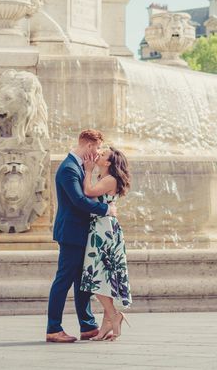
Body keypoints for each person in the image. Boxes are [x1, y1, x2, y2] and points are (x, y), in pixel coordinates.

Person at [46, 129, 117, 344]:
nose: (98, 153)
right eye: (96, 148)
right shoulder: (68, 168)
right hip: (71, 233)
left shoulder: (76, 166)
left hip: (79, 231)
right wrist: (106, 210)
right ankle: (53, 328)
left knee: (82, 281)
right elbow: (78, 200)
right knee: (64, 280)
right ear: (88, 146)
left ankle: (87, 326)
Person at [80, 145, 132, 341]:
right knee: (102, 276)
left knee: (95, 276)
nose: (99, 154)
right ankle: (106, 327)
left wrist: (88, 170)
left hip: (104, 230)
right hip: (103, 227)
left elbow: (88, 191)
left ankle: (114, 316)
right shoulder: (106, 178)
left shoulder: (109, 179)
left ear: (108, 163)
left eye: (103, 155)